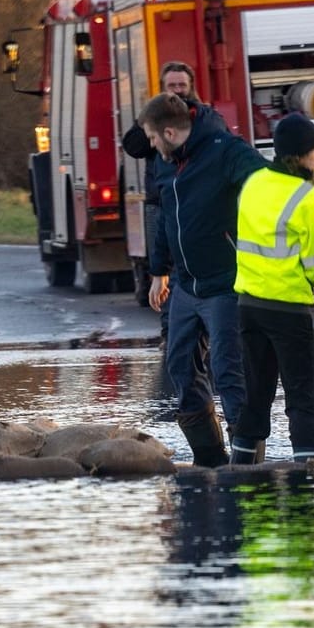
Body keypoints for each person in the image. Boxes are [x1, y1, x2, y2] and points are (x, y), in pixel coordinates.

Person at [142, 91, 267, 466]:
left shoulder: (225, 149)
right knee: (180, 363)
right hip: (184, 283)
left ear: (168, 131)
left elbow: (264, 182)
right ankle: (209, 454)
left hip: (226, 281)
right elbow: (166, 217)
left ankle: (247, 458)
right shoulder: (167, 162)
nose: (150, 145)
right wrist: (158, 271)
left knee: (228, 370)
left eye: (151, 138)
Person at [229, 114, 314, 463]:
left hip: (249, 305)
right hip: (288, 309)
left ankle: (242, 465)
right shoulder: (307, 198)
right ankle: (308, 465)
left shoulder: (253, 183)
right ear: (302, 155)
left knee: (257, 393)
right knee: (300, 393)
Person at [121, 63, 213, 408]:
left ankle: (201, 330)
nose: (178, 90)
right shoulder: (154, 121)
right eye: (171, 85)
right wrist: (152, 116)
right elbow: (132, 146)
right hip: (161, 203)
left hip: (195, 204)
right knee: (163, 270)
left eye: (182, 85)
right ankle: (169, 334)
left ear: (191, 86)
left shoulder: (202, 118)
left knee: (192, 267)